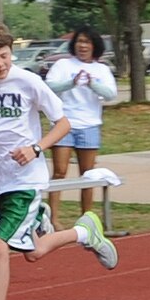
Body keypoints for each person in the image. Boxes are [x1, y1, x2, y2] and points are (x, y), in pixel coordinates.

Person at [0, 22, 121, 300]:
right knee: (31, 252)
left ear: (11, 53)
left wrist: (36, 147)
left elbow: (63, 123)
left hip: (26, 178)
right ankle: (84, 231)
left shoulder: (29, 81)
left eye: (4, 56)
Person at [44, 24, 119, 226]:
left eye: (86, 42)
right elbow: (49, 86)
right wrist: (72, 83)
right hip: (64, 123)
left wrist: (92, 83)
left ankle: (87, 219)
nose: (82, 46)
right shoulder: (63, 65)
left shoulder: (101, 69)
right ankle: (53, 219)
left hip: (89, 125)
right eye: (79, 41)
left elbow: (111, 94)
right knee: (59, 171)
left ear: (94, 45)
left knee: (88, 175)